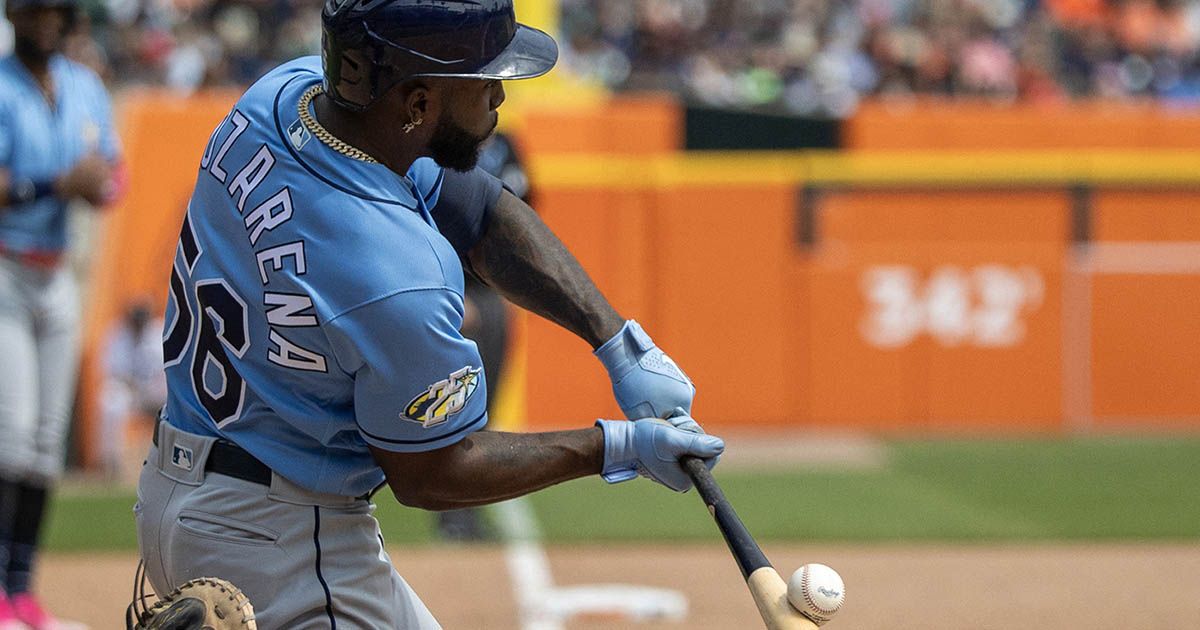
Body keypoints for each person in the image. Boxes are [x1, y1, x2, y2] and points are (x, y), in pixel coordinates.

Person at [133, 1, 724, 628]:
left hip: (182, 485)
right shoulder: (396, 272)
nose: (499, 93)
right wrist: (614, 447)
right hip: (282, 544)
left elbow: (480, 210)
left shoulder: (278, 99)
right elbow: (434, 471)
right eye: (483, 79)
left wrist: (618, 343)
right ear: (416, 103)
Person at [0, 0, 120, 626]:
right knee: (12, 434)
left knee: (46, 441)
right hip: (6, 266)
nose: (48, 20)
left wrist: (103, 184)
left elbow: (114, 171)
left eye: (57, 10)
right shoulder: (2, 84)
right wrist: (53, 185)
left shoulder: (83, 86)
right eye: (37, 9)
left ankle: (21, 590)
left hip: (58, 269)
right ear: (15, 15)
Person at [100, 300, 167, 480]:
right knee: (111, 400)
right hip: (132, 391)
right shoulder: (118, 333)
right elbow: (114, 372)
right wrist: (137, 388)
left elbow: (166, 371)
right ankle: (111, 463)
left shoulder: (159, 331)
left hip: (158, 391)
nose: (139, 321)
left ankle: (173, 462)